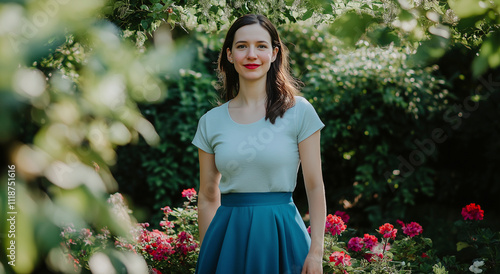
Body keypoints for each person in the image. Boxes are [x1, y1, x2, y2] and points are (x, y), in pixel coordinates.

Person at [192, 14, 326, 274]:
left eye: (261, 46)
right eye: (242, 46)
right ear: (230, 55)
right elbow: (208, 197)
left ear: (274, 53)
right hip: (227, 241)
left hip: (283, 235)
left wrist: (316, 252)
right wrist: (209, 255)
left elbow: (314, 185)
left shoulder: (299, 111)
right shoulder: (211, 121)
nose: (251, 54)